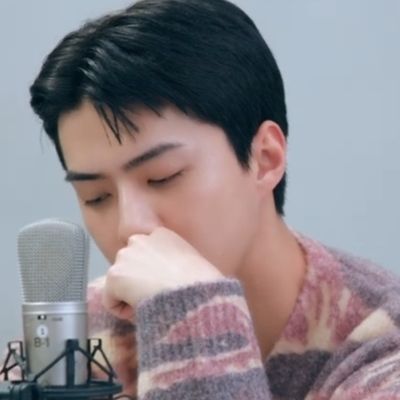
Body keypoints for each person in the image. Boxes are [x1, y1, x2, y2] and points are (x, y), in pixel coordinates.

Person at [27, 0, 400, 398]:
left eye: (163, 177)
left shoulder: (381, 350)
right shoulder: (77, 338)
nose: (129, 224)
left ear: (265, 159)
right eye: (96, 197)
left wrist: (194, 319)